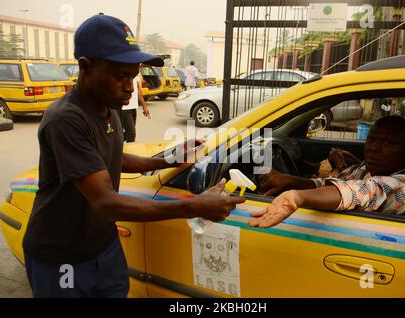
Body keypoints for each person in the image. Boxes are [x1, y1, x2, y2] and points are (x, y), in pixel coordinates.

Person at [22, 14, 245, 298]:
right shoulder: (65, 119)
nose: (131, 86)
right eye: (121, 76)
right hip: (61, 257)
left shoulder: (109, 107)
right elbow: (106, 202)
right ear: (86, 67)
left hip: (104, 245)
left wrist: (168, 160)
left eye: (134, 74)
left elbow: (113, 156)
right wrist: (195, 206)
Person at [249, 116, 405, 228]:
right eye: (371, 139)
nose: (374, 148)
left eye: (388, 143)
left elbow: (358, 192)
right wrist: (287, 180)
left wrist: (297, 197)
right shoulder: (369, 169)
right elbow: (334, 182)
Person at [122, 73, 151, 143]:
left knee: (128, 133)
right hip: (124, 108)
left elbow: (137, 90)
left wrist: (144, 106)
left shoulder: (135, 73)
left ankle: (114, 146)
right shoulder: (123, 72)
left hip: (133, 107)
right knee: (131, 134)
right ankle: (129, 152)